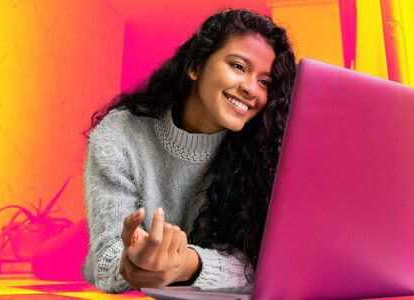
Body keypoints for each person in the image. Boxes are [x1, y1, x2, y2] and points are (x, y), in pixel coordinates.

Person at [81, 8, 297, 293]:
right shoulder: (120, 134)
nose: (251, 89)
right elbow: (106, 262)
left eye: (265, 82)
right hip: (111, 213)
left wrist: (188, 264)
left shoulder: (263, 150)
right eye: (238, 66)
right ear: (195, 67)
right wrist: (133, 261)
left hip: (170, 251)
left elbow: (259, 265)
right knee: (47, 258)